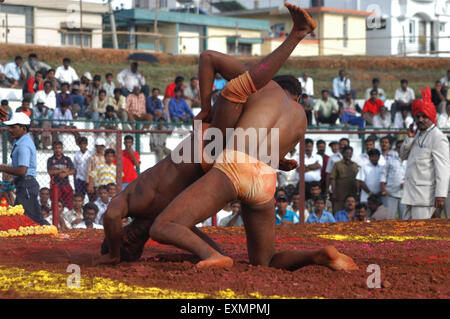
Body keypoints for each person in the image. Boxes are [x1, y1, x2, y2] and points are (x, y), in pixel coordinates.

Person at [98, 4, 358, 272]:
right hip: (265, 180)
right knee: (265, 260)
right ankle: (319, 255)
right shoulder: (301, 118)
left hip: (231, 164)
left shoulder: (259, 88)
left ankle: (297, 33)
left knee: (165, 225)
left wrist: (207, 109)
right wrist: (279, 160)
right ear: (298, 97)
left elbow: (211, 60)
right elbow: (260, 142)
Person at [400, 87, 450, 220]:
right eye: (418, 116)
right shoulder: (417, 134)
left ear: (432, 117)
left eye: (424, 116)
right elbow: (403, 156)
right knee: (406, 235)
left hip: (425, 197)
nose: (420, 119)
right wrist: (410, 137)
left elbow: (443, 168)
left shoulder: (438, 137)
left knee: (419, 236)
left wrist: (441, 194)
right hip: (410, 195)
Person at [0, 112, 48, 225]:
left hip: (26, 185)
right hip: (24, 184)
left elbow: (22, 171)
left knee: (36, 220)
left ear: (23, 128)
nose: (10, 129)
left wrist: (2, 168)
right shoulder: (21, 141)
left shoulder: (23, 145)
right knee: (18, 218)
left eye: (13, 127)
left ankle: (57, 239)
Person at [380, 139, 406, 219]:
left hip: (405, 194)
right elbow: (383, 175)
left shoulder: (411, 161)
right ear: (396, 149)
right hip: (391, 193)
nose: (401, 149)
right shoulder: (390, 161)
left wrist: (407, 183)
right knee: (389, 218)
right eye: (399, 147)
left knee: (405, 218)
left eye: (403, 147)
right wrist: (383, 189)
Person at [329, 145, 359, 213]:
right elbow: (332, 178)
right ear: (343, 154)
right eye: (347, 153)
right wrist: (334, 193)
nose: (349, 155)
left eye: (350, 153)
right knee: (338, 210)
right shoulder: (337, 164)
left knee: (351, 211)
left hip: (352, 192)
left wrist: (357, 191)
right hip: (340, 193)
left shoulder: (355, 165)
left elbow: (358, 179)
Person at [47, 141, 75, 210]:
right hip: (55, 184)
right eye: (55, 148)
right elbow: (50, 172)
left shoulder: (67, 159)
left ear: (62, 148)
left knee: (69, 204)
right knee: (56, 203)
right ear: (53, 149)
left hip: (66, 184)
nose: (57, 150)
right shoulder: (50, 160)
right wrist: (62, 170)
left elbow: (73, 170)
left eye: (59, 148)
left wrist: (66, 173)